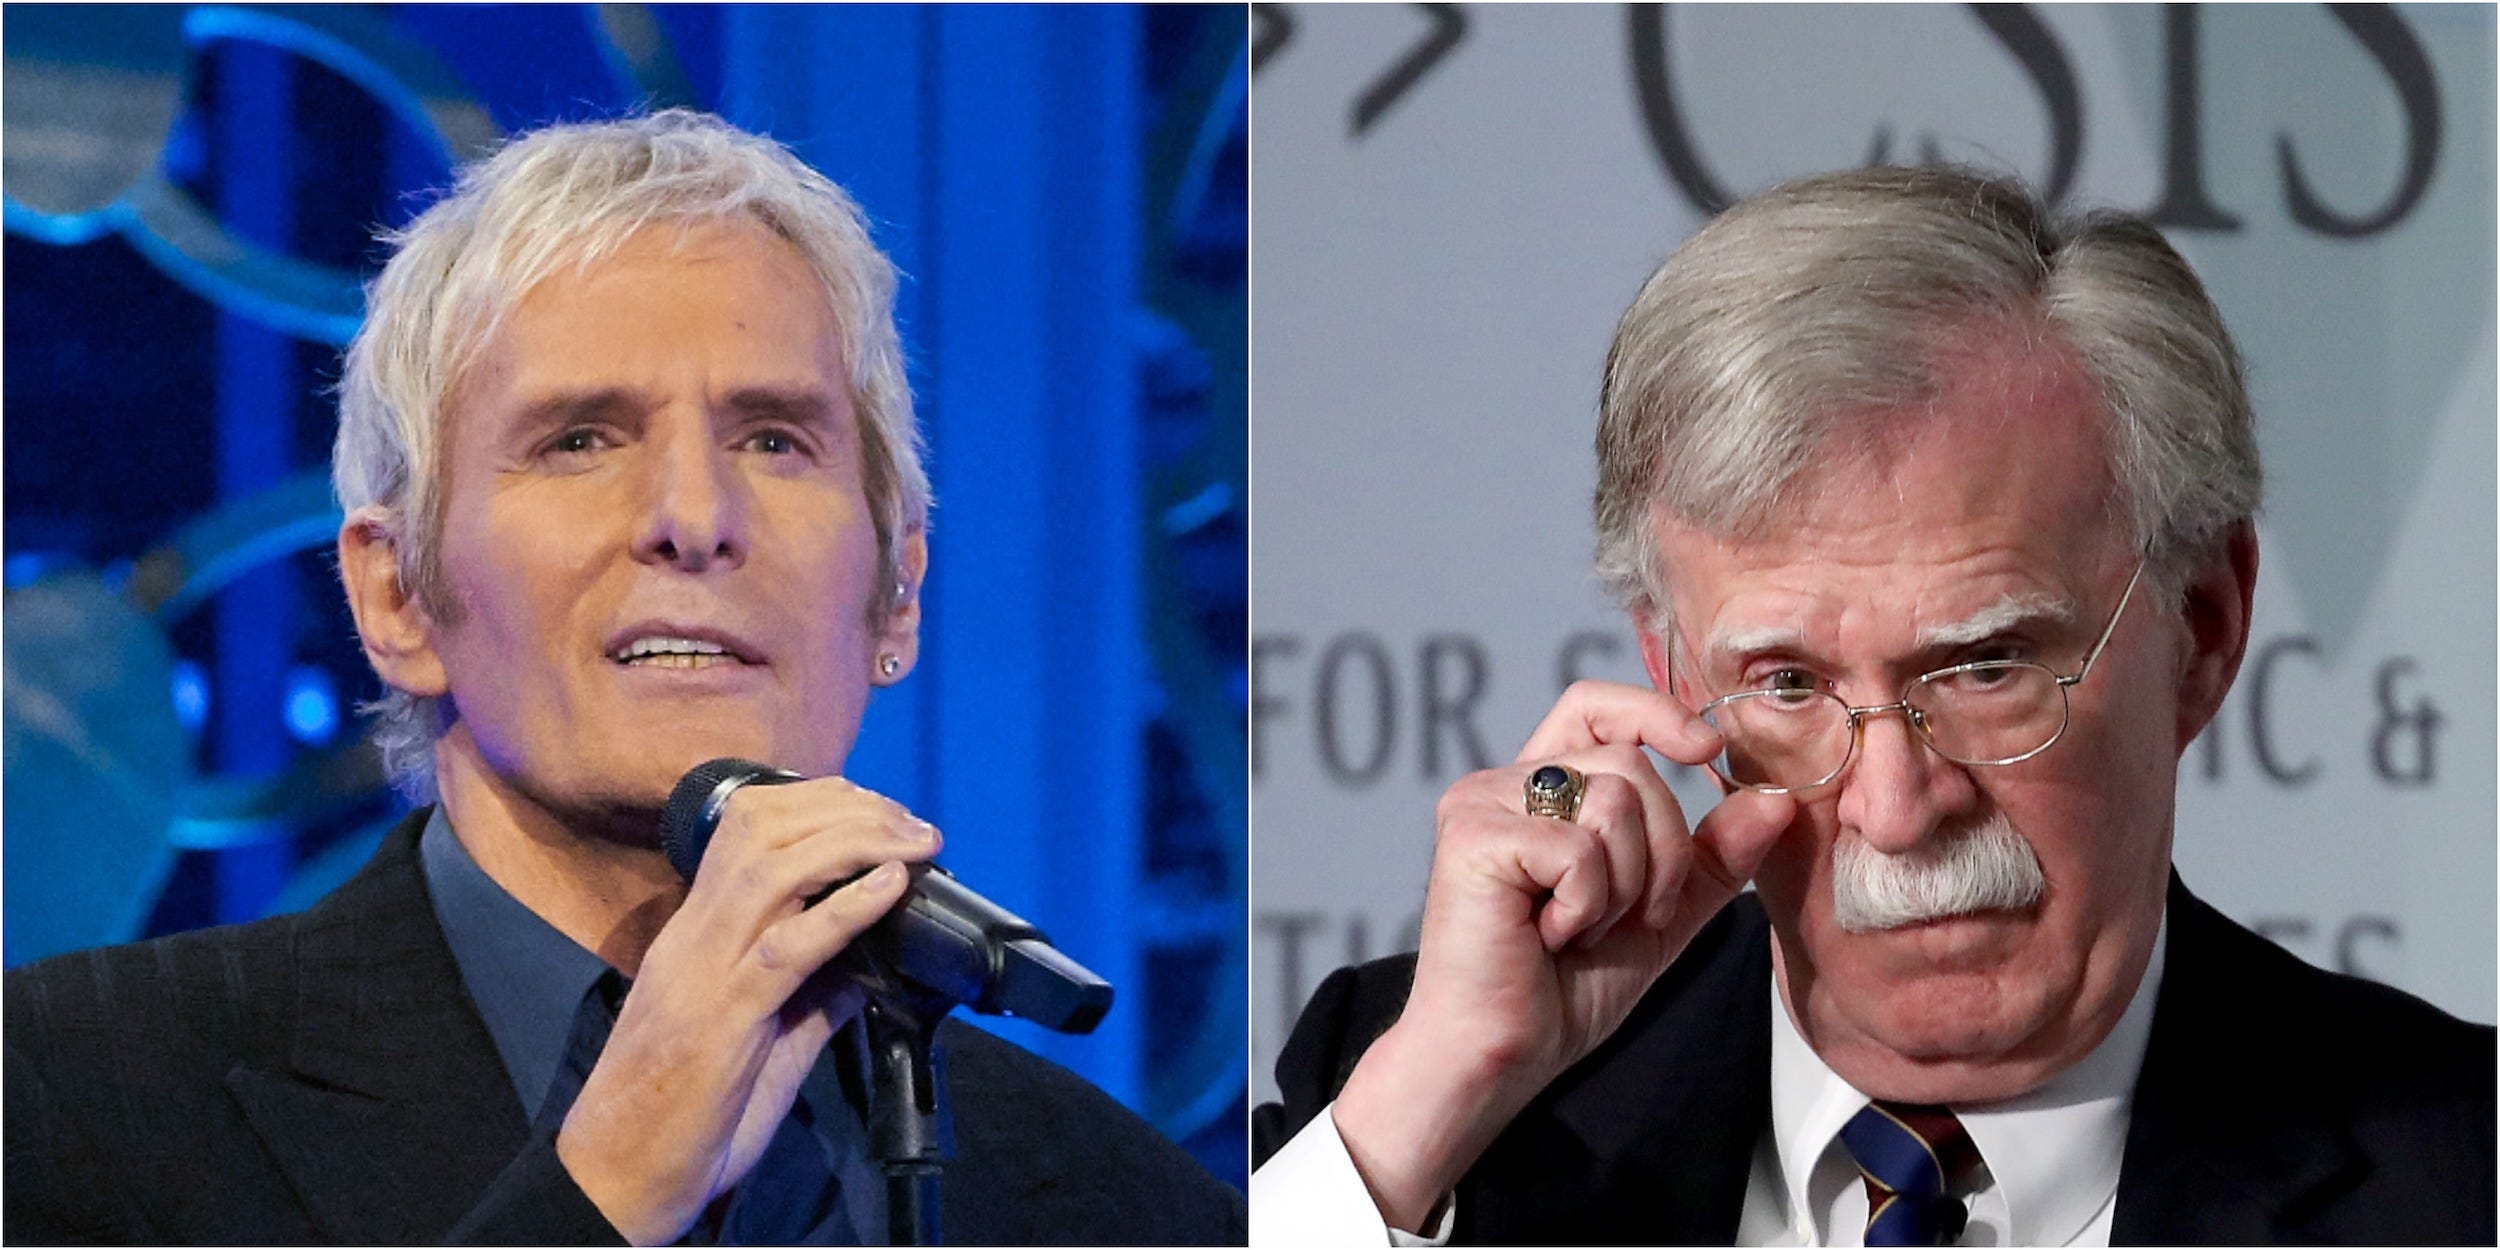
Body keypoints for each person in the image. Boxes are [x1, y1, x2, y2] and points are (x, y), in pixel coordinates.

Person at [4, 110, 1243, 1245]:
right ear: (397, 594)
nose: (694, 516)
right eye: (579, 439)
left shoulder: (1108, 1200)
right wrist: (605, 1187)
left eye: (773, 438)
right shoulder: (64, 1100)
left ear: (896, 590)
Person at [1250, 167, 2494, 1245]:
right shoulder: (1414, 1103)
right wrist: (1433, 1106)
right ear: (1675, 679)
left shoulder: (2462, 1176)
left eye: (1984, 665)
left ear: (2204, 630)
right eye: (1787, 683)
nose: (1895, 810)